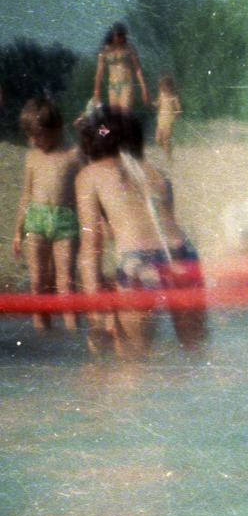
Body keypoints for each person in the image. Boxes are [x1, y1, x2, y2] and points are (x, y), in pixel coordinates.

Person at [75, 109, 206, 356]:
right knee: (196, 353)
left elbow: (91, 246)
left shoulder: (89, 175)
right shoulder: (156, 172)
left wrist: (95, 315)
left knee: (133, 363)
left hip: (138, 261)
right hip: (183, 255)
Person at [10, 98, 82, 331]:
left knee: (66, 283)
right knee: (37, 281)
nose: (33, 141)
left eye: (39, 135)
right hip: (36, 220)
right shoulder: (32, 157)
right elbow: (26, 195)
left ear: (58, 129)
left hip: (66, 221)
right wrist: (17, 232)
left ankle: (72, 334)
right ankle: (42, 333)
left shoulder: (74, 153)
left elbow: (103, 133)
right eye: (30, 136)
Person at [93, 22, 150, 113]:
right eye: (118, 35)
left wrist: (144, 89)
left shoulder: (130, 48)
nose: (121, 38)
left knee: (125, 114)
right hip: (112, 87)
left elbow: (138, 69)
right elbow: (99, 73)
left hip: (127, 85)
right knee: (115, 118)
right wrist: (96, 93)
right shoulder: (104, 50)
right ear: (112, 35)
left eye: (122, 35)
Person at [153, 74, 182, 159]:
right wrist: (152, 103)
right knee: (158, 140)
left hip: (169, 119)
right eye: (161, 87)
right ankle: (167, 152)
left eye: (165, 87)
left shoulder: (174, 97)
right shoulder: (161, 94)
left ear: (170, 87)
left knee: (166, 139)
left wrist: (178, 112)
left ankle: (168, 157)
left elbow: (179, 108)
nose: (163, 89)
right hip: (161, 119)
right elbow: (157, 103)